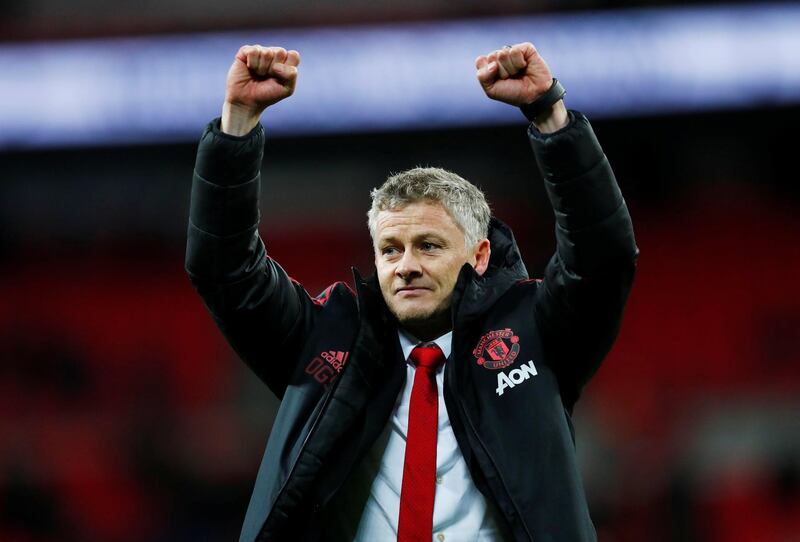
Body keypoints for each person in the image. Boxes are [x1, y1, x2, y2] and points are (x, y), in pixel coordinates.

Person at [186, 41, 638, 542]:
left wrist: (551, 116)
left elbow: (603, 257)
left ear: (479, 255)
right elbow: (224, 268)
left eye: (428, 245)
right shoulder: (326, 336)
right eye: (390, 249)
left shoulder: (535, 329)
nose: (406, 267)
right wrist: (238, 123)